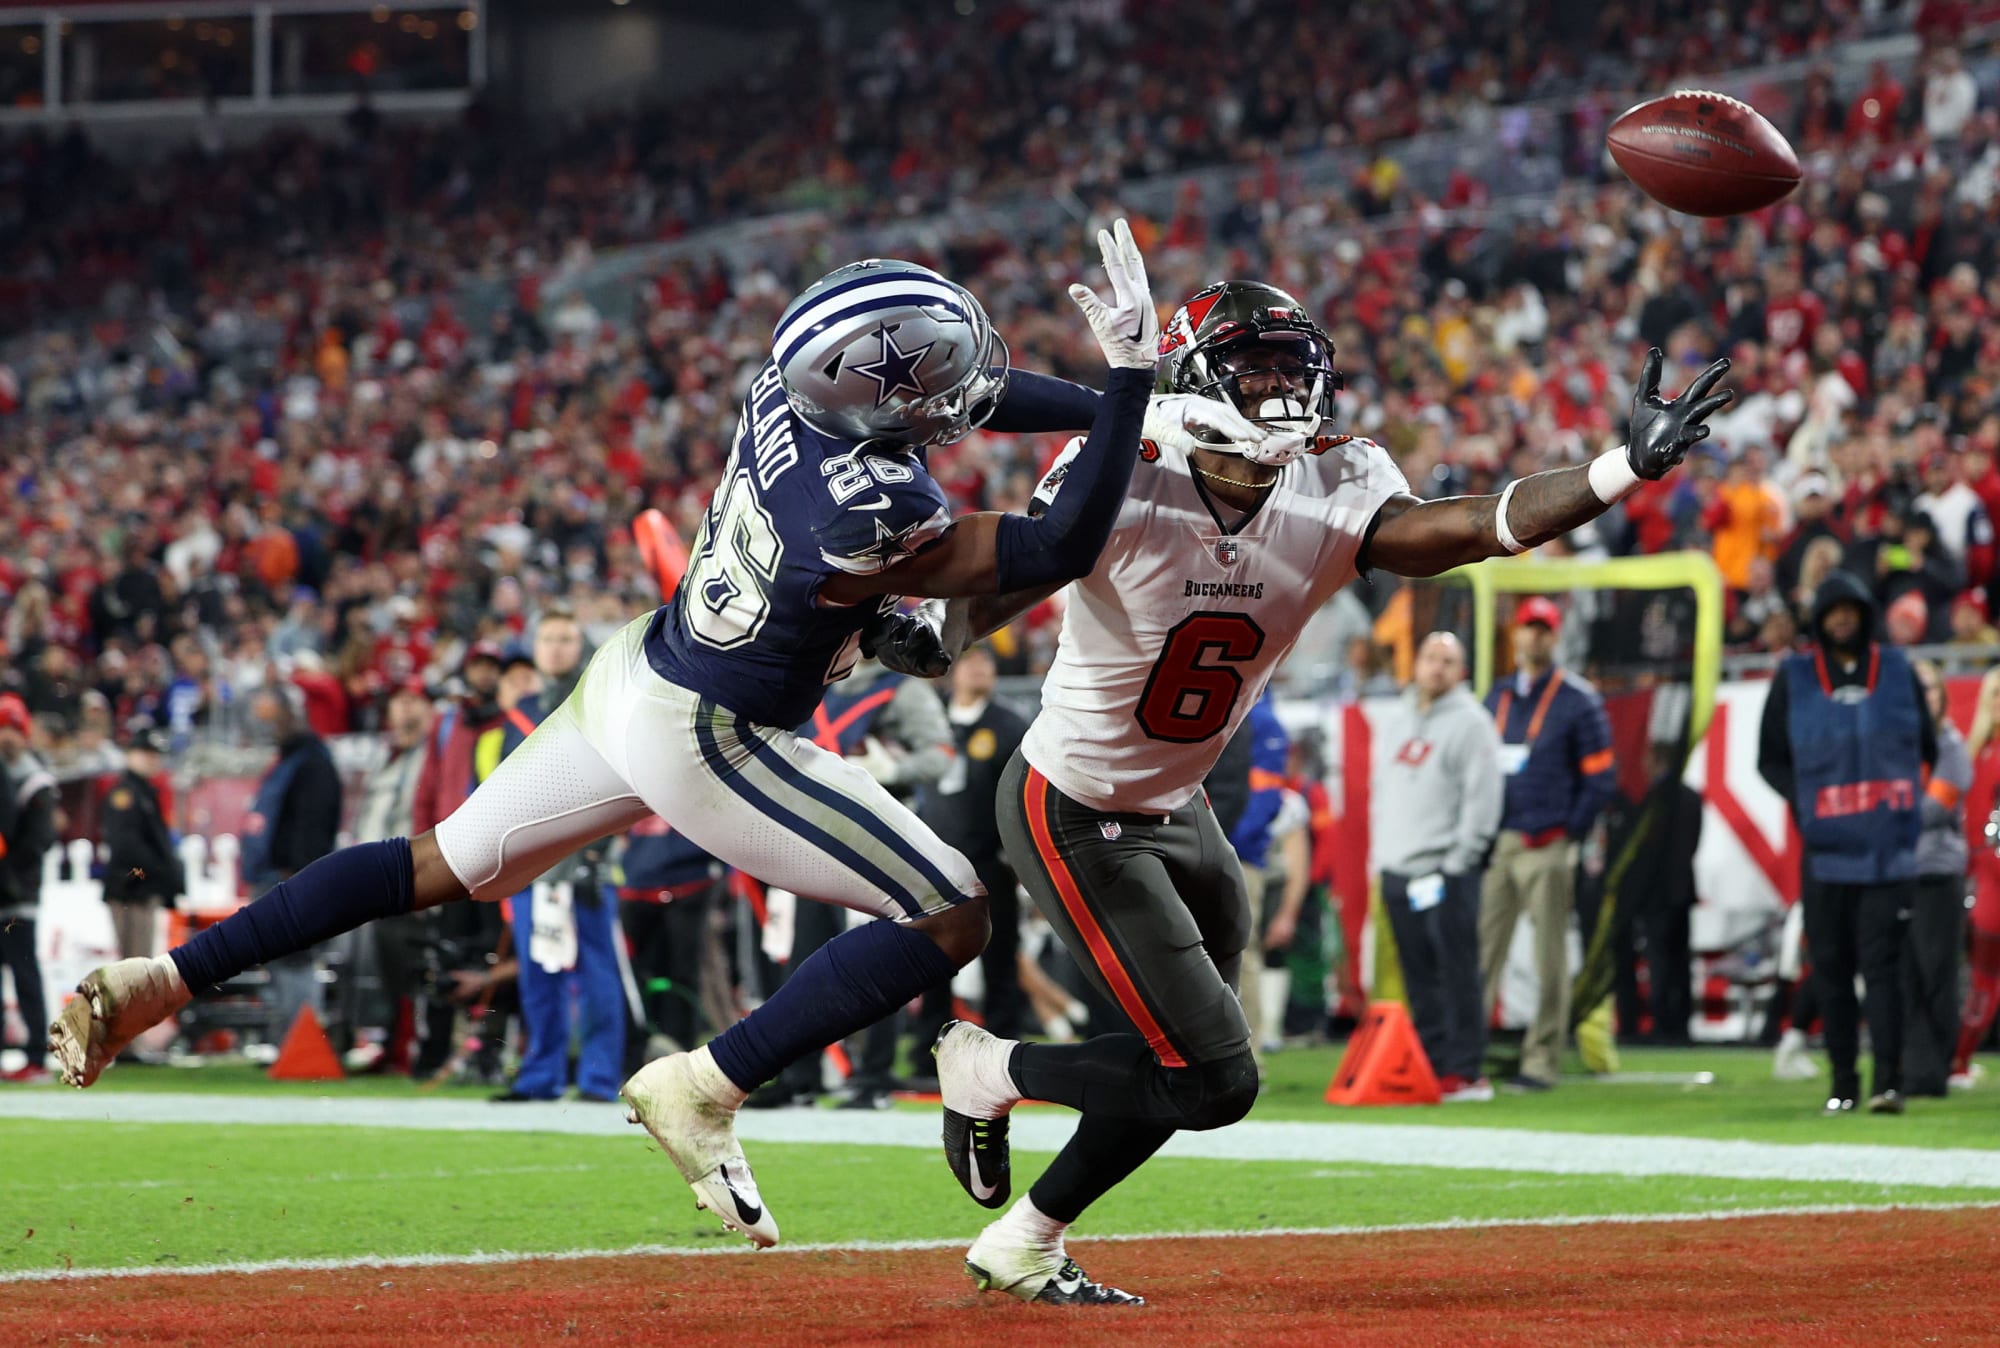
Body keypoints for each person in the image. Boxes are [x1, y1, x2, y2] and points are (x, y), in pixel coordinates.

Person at [52, 223, 1221, 1263]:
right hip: (712, 730)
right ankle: (704, 1085)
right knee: (949, 910)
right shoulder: (868, 504)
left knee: (434, 864)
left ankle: (163, 977)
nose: (970, 391)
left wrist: (1141, 405)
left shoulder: (787, 386)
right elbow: (1060, 544)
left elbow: (978, 397)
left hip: (637, 672)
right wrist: (1125, 387)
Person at [892, 279, 1729, 1304]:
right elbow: (1021, 565)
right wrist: (933, 635)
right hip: (1073, 804)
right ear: (1198, 376)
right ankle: (990, 1068)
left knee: (1177, 1050)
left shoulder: (1334, 481)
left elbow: (1466, 528)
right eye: (1259, 366)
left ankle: (1026, 1236)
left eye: (1298, 366)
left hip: (1180, 805)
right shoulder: (1131, 467)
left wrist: (1616, 469)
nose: (1287, 388)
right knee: (1214, 1074)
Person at [1757, 570, 1936, 1115]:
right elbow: (1768, 758)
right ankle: (1842, 1081)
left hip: (1888, 853)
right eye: (1832, 610)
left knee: (1882, 971)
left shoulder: (1900, 672)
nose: (1841, 618)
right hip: (1826, 855)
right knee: (1830, 971)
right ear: (1819, 619)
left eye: (1850, 610)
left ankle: (1887, 1081)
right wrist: (1805, 802)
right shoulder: (1794, 677)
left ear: (1863, 616)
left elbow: (1926, 746)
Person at [1478, 596, 1616, 1091]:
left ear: (1554, 637)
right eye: (1527, 628)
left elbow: (1602, 779)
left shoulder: (1578, 700)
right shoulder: (1497, 697)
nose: (1533, 637)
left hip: (1548, 843)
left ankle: (1541, 1061)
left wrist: (1568, 833)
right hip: (1502, 843)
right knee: (1481, 952)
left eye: (1543, 629)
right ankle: (1466, 1058)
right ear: (1515, 635)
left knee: (1548, 958)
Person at [497, 611, 627, 1103]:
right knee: (538, 972)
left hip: (584, 862)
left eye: (565, 639)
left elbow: (618, 780)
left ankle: (596, 1078)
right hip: (535, 867)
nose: (555, 648)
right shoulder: (522, 711)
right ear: (535, 645)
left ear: (581, 646)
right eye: (547, 638)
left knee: (595, 973)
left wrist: (597, 850)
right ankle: (540, 1075)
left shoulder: (599, 704)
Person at [1372, 631, 1503, 1100]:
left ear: (1461, 670)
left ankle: (1465, 1070)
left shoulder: (1472, 723)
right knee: (1418, 975)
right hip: (1398, 869)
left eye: (1447, 660)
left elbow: (1483, 798)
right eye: (1429, 657)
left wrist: (1459, 861)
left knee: (1456, 970)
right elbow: (1382, 793)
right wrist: (1382, 858)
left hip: (1443, 869)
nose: (1436, 667)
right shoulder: (1397, 718)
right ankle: (1430, 1061)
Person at [921, 643, 1032, 1041]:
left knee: (1000, 953)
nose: (980, 669)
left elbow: (1020, 795)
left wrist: (1017, 856)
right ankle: (928, 1047)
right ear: (953, 670)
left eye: (987, 662)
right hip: (932, 860)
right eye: (970, 661)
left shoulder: (1009, 725)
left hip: (989, 859)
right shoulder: (930, 718)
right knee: (932, 958)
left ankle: (1004, 1043)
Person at [238, 684, 344, 1044]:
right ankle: (289, 1041)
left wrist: (299, 873)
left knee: (295, 962)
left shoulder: (311, 761)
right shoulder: (292, 759)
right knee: (282, 963)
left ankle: (301, 1042)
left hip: (290, 878)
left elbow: (314, 824)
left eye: (277, 716)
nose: (272, 725)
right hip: (277, 876)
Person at [344, 679, 437, 1075]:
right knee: (374, 965)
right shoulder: (388, 757)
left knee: (404, 967)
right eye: (398, 702)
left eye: (413, 701)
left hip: (408, 875)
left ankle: (404, 1048)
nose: (404, 710)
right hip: (374, 880)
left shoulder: (432, 756)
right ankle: (382, 1043)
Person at [1905, 659, 1970, 1097]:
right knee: (1904, 976)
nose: (1924, 696)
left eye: (1931, 688)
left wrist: (1884, 809)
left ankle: (1934, 1069)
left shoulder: (1950, 745)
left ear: (1942, 697)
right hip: (1898, 872)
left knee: (1936, 973)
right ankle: (1912, 1066)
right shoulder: (1896, 742)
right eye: (1917, 688)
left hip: (1936, 873)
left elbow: (1936, 808)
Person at [1613, 743, 1703, 1046]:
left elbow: (1648, 852)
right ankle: (1682, 1023)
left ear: (1656, 760)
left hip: (1657, 895)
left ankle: (1662, 1023)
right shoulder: (1691, 796)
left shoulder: (1650, 800)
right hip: (1683, 890)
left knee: (1660, 961)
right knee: (1680, 961)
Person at [0, 694, 58, 1082]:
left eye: (11, 729)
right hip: (8, 887)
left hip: (19, 894)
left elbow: (38, 841)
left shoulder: (36, 781)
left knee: (24, 973)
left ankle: (37, 1053)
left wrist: (10, 877)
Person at [1953, 666, 2000, 1087]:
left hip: (1981, 877)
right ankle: (1958, 1062)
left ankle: (1959, 1062)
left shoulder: (1975, 755)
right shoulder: (1985, 756)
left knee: (1983, 981)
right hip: (1990, 878)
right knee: (1985, 982)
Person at [99, 727, 183, 961]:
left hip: (142, 889)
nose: (151, 759)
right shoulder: (125, 792)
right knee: (133, 964)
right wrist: (159, 870)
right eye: (145, 752)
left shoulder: (146, 791)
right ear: (130, 754)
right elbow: (125, 845)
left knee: (141, 961)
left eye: (155, 753)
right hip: (131, 890)